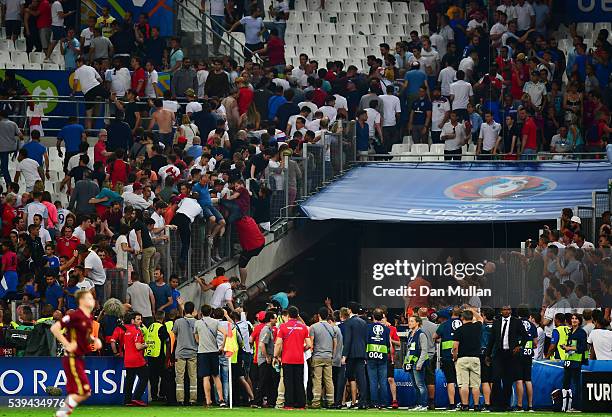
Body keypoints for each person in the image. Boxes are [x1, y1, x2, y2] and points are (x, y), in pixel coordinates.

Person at [50, 290, 102, 417]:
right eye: (89, 298)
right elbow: (54, 328)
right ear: (82, 301)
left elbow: (87, 336)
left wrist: (95, 340)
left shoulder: (89, 318)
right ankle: (62, 414)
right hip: (72, 357)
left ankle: (62, 414)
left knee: (83, 392)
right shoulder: (74, 316)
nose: (92, 301)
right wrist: (67, 344)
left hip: (79, 358)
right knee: (84, 392)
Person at [486, 305, 527, 411]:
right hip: (499, 353)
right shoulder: (496, 322)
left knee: (508, 380)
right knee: (495, 378)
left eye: (509, 309)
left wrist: (519, 346)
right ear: (501, 311)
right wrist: (487, 355)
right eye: (504, 309)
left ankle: (506, 405)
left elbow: (525, 336)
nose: (507, 311)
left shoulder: (516, 322)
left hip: (511, 354)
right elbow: (491, 340)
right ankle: (495, 404)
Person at [274, 305, 311, 409]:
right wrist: (301, 349)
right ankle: (301, 404)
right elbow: (309, 344)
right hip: (299, 359)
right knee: (299, 382)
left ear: (288, 315)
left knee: (288, 382)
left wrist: (276, 355)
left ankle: (289, 404)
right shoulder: (303, 327)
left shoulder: (283, 327)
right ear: (297, 315)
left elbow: (278, 343)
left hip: (287, 358)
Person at [194, 304, 227, 407]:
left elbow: (196, 337)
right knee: (216, 376)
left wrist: (201, 343)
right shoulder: (215, 322)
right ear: (211, 312)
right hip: (214, 352)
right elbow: (225, 333)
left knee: (205, 377)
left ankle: (208, 401)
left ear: (201, 313)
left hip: (203, 352)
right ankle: (221, 399)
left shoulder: (197, 323)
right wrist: (222, 347)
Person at [452, 309, 483, 412]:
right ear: (471, 318)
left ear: (462, 318)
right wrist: (471, 310)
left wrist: (455, 357)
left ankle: (465, 405)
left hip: (462, 358)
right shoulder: (477, 327)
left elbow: (455, 346)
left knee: (463, 384)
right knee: (475, 384)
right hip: (475, 358)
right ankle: (476, 405)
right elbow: (480, 318)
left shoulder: (459, 330)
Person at [340, 301, 368, 409]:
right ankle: (363, 402)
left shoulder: (349, 322)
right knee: (362, 378)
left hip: (351, 354)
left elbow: (348, 340)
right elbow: (365, 339)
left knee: (347, 377)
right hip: (361, 353)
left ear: (350, 310)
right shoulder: (363, 322)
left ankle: (341, 401)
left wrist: (344, 355)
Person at [433, 307, 461, 410]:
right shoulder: (464, 323)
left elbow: (434, 336)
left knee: (450, 381)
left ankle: (452, 404)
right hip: (461, 356)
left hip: (447, 357)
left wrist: (442, 338)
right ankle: (464, 403)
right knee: (462, 382)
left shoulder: (444, 325)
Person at [309, 307, 336, 408]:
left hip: (317, 356)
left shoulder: (313, 327)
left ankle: (316, 402)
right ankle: (330, 401)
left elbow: (311, 344)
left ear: (319, 315)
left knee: (317, 380)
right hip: (328, 356)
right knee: (329, 380)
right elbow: (335, 342)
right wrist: (331, 353)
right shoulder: (332, 327)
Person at [120, 311, 148, 406]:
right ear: (133, 321)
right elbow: (138, 347)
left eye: (141, 319)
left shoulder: (127, 331)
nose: (140, 321)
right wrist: (146, 345)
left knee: (129, 380)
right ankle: (136, 397)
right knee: (144, 377)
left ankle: (127, 401)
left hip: (128, 359)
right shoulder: (137, 331)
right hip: (137, 360)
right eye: (138, 319)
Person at [560, 313, 587, 410]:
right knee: (566, 383)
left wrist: (568, 347)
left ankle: (577, 406)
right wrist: (565, 347)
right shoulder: (570, 331)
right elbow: (571, 346)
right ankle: (566, 405)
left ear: (579, 321)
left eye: (576, 319)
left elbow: (582, 347)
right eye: (572, 318)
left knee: (576, 384)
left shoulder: (581, 332)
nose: (574, 320)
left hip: (576, 361)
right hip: (568, 360)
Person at [173, 301, 198, 405]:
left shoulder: (178, 322)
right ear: (193, 310)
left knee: (180, 377)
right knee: (193, 377)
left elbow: (174, 334)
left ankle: (180, 400)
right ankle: (193, 400)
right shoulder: (197, 322)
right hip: (193, 352)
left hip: (180, 352)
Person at [366, 308, 390, 409]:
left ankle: (374, 402)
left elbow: (366, 341)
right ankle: (384, 402)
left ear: (373, 317)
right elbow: (388, 344)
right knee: (383, 381)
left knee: (373, 381)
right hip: (382, 357)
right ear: (382, 317)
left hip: (371, 357)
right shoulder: (386, 329)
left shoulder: (367, 328)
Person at [405, 314, 429, 411]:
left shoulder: (421, 334)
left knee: (420, 384)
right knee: (415, 385)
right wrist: (405, 363)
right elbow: (409, 350)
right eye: (409, 321)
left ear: (417, 323)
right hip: (411, 363)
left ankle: (424, 405)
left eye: (412, 321)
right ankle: (418, 404)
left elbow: (424, 350)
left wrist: (419, 363)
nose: (409, 323)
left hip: (418, 363)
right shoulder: (410, 334)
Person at [0, 110, 23, 186]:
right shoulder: (13, 124)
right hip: (12, 149)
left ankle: (9, 185)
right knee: (4, 168)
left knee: (4, 168)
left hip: (2, 149)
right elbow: (21, 136)